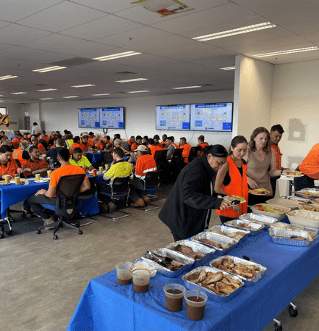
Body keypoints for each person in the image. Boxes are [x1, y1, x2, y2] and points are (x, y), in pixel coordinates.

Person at [158, 145, 232, 241]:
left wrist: (219, 197)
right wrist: (216, 202)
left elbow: (202, 189)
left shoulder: (206, 167)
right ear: (209, 156)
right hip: (181, 218)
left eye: (223, 164)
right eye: (219, 163)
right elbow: (189, 195)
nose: (220, 167)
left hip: (189, 216)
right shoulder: (196, 170)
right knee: (186, 249)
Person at [22, 148, 90, 223]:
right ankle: (54, 216)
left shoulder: (55, 173)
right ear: (70, 157)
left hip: (58, 200)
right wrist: (74, 191)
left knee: (30, 199)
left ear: (58, 159)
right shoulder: (80, 170)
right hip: (73, 199)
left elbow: (50, 194)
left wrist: (44, 191)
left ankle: (48, 218)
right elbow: (87, 187)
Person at [244, 127, 287, 205]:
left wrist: (283, 171)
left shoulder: (271, 152)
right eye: (261, 138)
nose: (264, 141)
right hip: (250, 190)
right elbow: (238, 171)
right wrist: (247, 179)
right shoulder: (247, 151)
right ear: (254, 138)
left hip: (266, 190)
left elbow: (273, 172)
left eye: (266, 139)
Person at [215, 136, 249, 223]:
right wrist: (234, 202)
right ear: (232, 148)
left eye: (245, 150)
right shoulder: (226, 164)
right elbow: (217, 188)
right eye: (239, 150)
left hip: (242, 209)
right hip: (228, 209)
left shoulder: (243, 163)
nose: (242, 153)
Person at [97, 148, 132, 213]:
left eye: (113, 155)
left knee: (97, 187)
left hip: (113, 189)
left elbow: (105, 177)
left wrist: (110, 168)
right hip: (125, 188)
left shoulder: (114, 166)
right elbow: (131, 177)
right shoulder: (128, 165)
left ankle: (109, 203)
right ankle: (107, 204)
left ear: (115, 155)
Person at [269, 124, 289, 197]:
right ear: (270, 133)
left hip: (274, 178)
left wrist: (283, 169)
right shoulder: (266, 147)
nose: (278, 139)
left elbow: (275, 164)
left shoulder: (276, 146)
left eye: (280, 137)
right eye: (276, 136)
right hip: (267, 179)